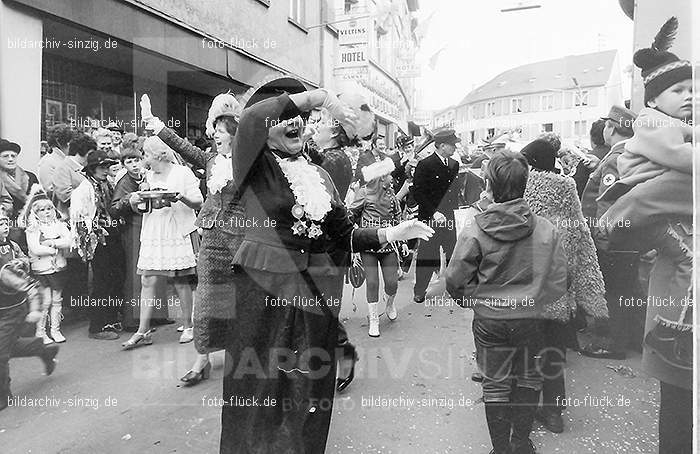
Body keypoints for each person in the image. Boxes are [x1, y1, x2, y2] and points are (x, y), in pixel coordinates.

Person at [220, 78, 433, 453]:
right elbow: (252, 118)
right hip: (263, 295)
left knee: (308, 389)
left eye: (301, 117)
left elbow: (343, 234)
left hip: (312, 297)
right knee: (259, 387)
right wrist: (318, 98)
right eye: (286, 116)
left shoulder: (317, 176)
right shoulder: (254, 166)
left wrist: (392, 233)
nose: (296, 122)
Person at [598, 17, 693, 454]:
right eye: (679, 91)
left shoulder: (670, 127)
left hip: (652, 240)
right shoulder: (654, 127)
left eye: (692, 90)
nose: (689, 97)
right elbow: (625, 206)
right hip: (655, 237)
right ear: (654, 99)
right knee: (677, 403)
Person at [446, 150, 567, 454]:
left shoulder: (475, 227)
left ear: (488, 184)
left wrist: (471, 300)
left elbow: (455, 278)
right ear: (526, 183)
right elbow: (559, 281)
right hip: (530, 319)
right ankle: (521, 443)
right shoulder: (546, 229)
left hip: (490, 320)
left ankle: (501, 449)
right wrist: (537, 299)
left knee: (495, 384)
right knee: (529, 378)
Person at [139, 92, 244, 385]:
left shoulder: (250, 162)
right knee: (208, 298)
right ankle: (202, 359)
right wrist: (154, 123)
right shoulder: (210, 159)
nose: (215, 136)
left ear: (235, 136)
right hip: (211, 239)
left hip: (242, 240)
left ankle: (241, 351)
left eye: (221, 133)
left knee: (240, 298)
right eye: (215, 132)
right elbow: (181, 145)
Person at [520, 138, 609, 434]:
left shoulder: (517, 189)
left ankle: (525, 410)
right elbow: (582, 239)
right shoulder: (567, 189)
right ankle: (554, 413)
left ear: (529, 164)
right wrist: (592, 294)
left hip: (525, 291)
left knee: (527, 353)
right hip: (559, 290)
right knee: (554, 353)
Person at [121, 136, 203, 349]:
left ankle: (188, 325)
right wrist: (139, 201)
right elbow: (144, 208)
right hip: (153, 231)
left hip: (175, 229)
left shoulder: (182, 172)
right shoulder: (148, 175)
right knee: (147, 280)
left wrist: (178, 197)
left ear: (158, 154)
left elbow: (198, 201)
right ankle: (143, 330)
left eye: (146, 155)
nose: (144, 159)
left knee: (180, 280)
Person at [581, 105, 643, 359]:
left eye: (607, 125)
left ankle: (613, 345)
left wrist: (602, 241)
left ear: (611, 128)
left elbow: (607, 203)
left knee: (616, 292)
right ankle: (633, 340)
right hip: (628, 238)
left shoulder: (615, 159)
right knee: (629, 291)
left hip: (613, 241)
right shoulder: (630, 154)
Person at [0, 208, 59, 411]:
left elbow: (32, 287)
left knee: (1, 352)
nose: (5, 227)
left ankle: (2, 396)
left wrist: (35, 309)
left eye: (5, 222)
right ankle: (43, 350)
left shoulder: (7, 262)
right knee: (8, 346)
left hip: (10, 311)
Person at [109, 148, 172, 332]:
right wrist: (130, 199)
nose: (134, 165)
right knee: (137, 273)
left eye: (136, 160)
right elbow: (114, 207)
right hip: (133, 229)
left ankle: (158, 316)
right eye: (129, 161)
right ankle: (134, 319)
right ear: (123, 165)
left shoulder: (149, 176)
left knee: (157, 268)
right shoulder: (124, 182)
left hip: (151, 225)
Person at [70, 146, 125, 340]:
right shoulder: (83, 190)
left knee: (116, 278)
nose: (104, 170)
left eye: (107, 166)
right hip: (97, 240)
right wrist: (90, 241)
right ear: (92, 169)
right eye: (100, 167)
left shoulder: (108, 184)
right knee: (101, 282)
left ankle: (110, 318)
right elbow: (78, 220)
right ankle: (96, 326)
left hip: (112, 237)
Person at [350, 135, 402, 337]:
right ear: (381, 178)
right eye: (390, 176)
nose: (392, 178)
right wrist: (351, 239)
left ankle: (389, 304)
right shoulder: (363, 193)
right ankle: (373, 319)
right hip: (367, 243)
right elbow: (350, 215)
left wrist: (403, 241)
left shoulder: (391, 197)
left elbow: (398, 220)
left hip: (388, 244)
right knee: (372, 282)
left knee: (392, 283)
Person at [412, 128, 460, 304]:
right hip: (430, 219)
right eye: (452, 144)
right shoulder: (425, 165)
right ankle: (419, 290)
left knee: (453, 254)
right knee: (427, 254)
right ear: (441, 145)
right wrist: (434, 212)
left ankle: (454, 288)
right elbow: (418, 192)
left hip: (449, 218)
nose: (455, 147)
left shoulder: (454, 164)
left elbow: (453, 192)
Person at [21, 186, 72, 344]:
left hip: (58, 268)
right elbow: (35, 248)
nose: (47, 212)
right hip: (42, 269)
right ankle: (40, 332)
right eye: (42, 210)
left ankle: (55, 330)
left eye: (49, 208)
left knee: (57, 299)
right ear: (35, 212)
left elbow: (69, 240)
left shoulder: (59, 225)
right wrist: (53, 250)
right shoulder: (33, 228)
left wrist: (52, 243)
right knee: (46, 300)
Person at [38, 123, 73, 198]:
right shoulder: (47, 162)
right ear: (59, 142)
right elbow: (49, 190)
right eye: (69, 142)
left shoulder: (66, 159)